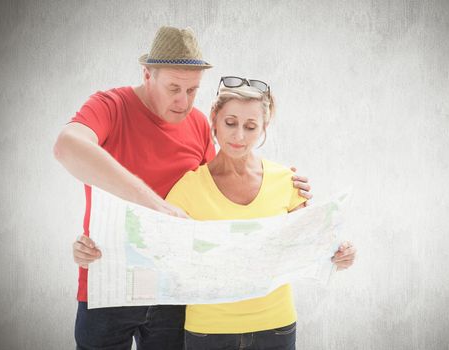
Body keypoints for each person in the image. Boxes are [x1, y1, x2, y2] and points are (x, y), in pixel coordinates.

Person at [54, 26, 313, 350]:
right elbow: (66, 146)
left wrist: (284, 188)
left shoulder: (198, 124)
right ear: (147, 74)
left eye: (192, 90)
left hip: (172, 292)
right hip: (109, 284)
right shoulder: (110, 106)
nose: (183, 101)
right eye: (174, 88)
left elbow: (217, 190)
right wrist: (156, 206)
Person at [164, 77, 356, 350]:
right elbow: (165, 260)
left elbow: (314, 250)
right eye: (230, 123)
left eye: (250, 127)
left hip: (275, 329)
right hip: (208, 332)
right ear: (214, 119)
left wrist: (341, 254)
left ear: (264, 128)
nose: (239, 136)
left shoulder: (287, 181)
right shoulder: (187, 189)